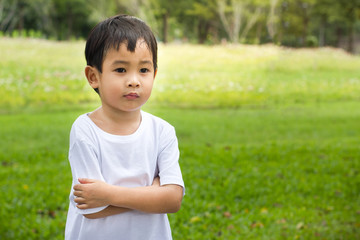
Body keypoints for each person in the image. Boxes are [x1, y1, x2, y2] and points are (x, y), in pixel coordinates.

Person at [65, 14, 185, 240]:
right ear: (93, 76)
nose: (134, 80)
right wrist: (153, 195)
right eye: (120, 70)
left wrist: (108, 194)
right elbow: (92, 209)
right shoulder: (85, 130)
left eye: (144, 70)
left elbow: (173, 200)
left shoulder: (162, 132)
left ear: (154, 75)